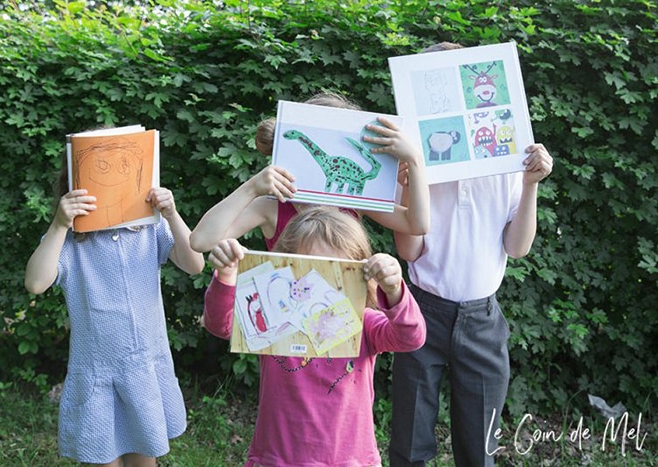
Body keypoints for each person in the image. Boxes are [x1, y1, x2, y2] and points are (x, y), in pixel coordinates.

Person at [388, 42, 554, 467]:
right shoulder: (412, 167)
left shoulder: (505, 158)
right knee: (409, 444)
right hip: (421, 310)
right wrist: (409, 183)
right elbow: (409, 250)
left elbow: (517, 249)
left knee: (479, 450)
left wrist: (531, 182)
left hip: (481, 319)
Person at [203, 206, 427, 466]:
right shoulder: (276, 320)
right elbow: (221, 325)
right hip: (277, 459)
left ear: (357, 276)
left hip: (349, 460)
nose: (318, 285)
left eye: (335, 273)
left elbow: (411, 337)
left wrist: (394, 290)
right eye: (307, 270)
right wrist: (227, 275)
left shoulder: (361, 322)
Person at [24, 161, 205, 466]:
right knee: (102, 457)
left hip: (144, 366)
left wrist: (172, 214)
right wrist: (58, 224)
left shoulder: (150, 226)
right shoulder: (69, 241)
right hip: (97, 375)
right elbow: (35, 283)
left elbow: (195, 264)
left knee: (144, 459)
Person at [188, 91, 430, 253]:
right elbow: (200, 241)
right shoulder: (272, 206)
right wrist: (251, 187)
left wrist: (415, 161)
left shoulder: (353, 199)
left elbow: (416, 225)